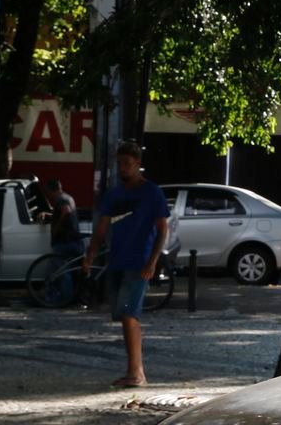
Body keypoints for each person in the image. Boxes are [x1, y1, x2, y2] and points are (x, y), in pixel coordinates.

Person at [84, 142, 169, 388]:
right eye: (120, 164)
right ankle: (135, 370)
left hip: (139, 260)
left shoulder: (152, 192)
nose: (123, 169)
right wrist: (90, 253)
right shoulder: (114, 194)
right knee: (124, 315)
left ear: (138, 164)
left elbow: (162, 228)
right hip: (117, 260)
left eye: (127, 164)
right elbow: (101, 228)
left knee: (130, 314)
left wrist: (153, 260)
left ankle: (136, 373)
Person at [39, 178, 83, 303]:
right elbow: (62, 212)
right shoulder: (67, 197)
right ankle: (65, 298)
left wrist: (56, 228)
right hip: (73, 241)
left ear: (51, 190)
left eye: (47, 191)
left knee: (59, 272)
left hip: (65, 242)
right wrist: (48, 215)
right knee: (65, 271)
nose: (47, 194)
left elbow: (66, 212)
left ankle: (62, 299)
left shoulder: (61, 200)